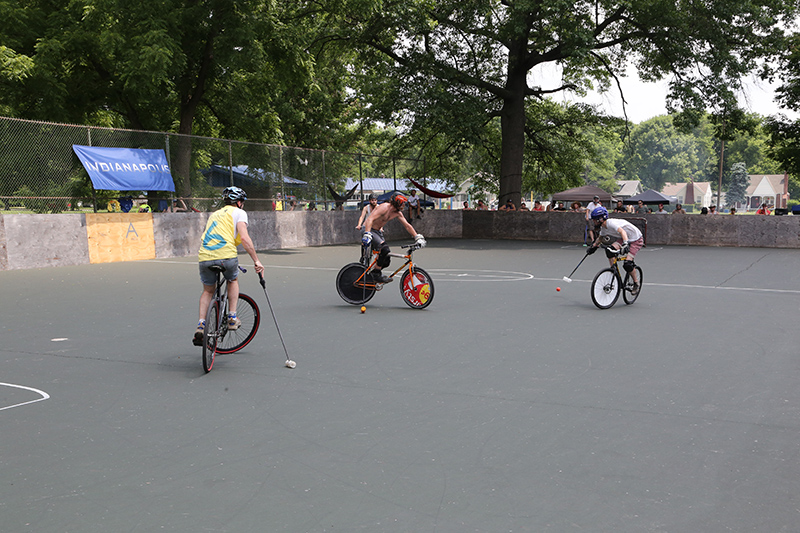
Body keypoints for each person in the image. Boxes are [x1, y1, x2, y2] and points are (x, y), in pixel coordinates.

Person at [193, 187, 264, 346]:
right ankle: (232, 317)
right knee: (232, 280)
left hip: (205, 256)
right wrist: (256, 260)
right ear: (239, 202)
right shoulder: (239, 213)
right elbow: (244, 238)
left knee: (207, 291)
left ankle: (201, 325)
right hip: (226, 256)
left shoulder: (214, 214)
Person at [362, 193, 426, 283]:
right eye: (403, 203)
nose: (404, 205)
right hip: (369, 229)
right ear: (398, 202)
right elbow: (369, 219)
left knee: (386, 260)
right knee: (384, 249)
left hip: (377, 232)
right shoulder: (384, 207)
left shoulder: (397, 213)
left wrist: (417, 237)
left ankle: (373, 271)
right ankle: (376, 273)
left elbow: (407, 225)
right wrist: (367, 234)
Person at [587, 206, 643, 293]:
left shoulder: (611, 223)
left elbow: (622, 232)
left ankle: (636, 283)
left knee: (627, 264)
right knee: (609, 250)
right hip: (624, 238)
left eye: (594, 220)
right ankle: (613, 270)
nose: (593, 222)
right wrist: (593, 247)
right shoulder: (603, 228)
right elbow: (600, 238)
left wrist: (625, 244)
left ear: (600, 219)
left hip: (636, 239)